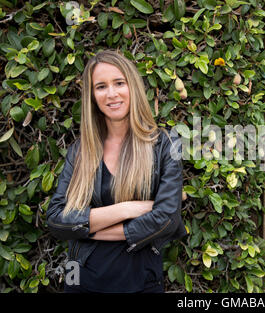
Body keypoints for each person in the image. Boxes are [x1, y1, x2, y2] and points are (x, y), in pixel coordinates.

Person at [46, 50, 187, 293]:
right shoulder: (80, 151)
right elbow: (57, 221)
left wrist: (88, 230)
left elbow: (167, 220)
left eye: (119, 83)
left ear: (132, 86)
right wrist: (128, 209)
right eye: (101, 86)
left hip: (142, 282)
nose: (111, 93)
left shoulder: (165, 145)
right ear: (92, 96)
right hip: (80, 282)